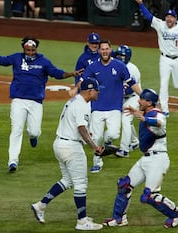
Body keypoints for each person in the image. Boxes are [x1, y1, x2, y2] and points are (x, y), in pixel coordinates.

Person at [0, 34, 82, 172]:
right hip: (18, 100)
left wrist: (71, 74)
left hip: (36, 101)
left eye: (32, 50)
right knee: (16, 130)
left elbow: (56, 73)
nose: (30, 53)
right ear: (24, 48)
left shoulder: (43, 61)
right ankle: (12, 161)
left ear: (36, 49)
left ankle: (33, 136)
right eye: (28, 50)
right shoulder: (17, 58)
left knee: (34, 131)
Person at [102, 89, 178, 228]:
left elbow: (159, 123)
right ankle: (118, 219)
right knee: (124, 185)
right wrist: (139, 113)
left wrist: (143, 117)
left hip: (158, 160)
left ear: (149, 102)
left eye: (141, 99)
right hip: (146, 159)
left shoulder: (158, 115)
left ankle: (177, 214)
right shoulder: (146, 112)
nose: (138, 101)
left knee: (149, 196)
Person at [30, 78, 103, 231]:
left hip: (60, 144)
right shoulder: (82, 105)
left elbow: (77, 125)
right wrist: (94, 147)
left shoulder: (75, 100)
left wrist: (87, 134)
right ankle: (82, 221)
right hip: (71, 148)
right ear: (90, 91)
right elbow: (81, 129)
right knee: (81, 184)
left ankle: (40, 206)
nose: (99, 92)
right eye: (97, 89)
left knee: (67, 180)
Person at [78, 40, 142, 173]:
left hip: (114, 107)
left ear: (110, 50)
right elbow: (83, 81)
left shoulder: (119, 66)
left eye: (107, 49)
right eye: (102, 49)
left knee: (113, 134)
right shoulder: (93, 66)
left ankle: (107, 143)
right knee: (96, 137)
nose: (105, 51)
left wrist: (143, 95)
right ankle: (97, 162)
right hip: (97, 107)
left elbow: (131, 82)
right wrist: (75, 90)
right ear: (99, 51)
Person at [113, 45, 141, 158]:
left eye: (122, 55)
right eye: (118, 55)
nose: (120, 57)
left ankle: (124, 150)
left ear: (127, 56)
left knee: (125, 118)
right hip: (122, 97)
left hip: (133, 97)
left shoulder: (132, 69)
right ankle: (134, 142)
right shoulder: (114, 66)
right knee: (125, 120)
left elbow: (129, 89)